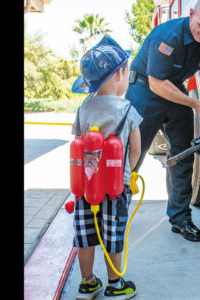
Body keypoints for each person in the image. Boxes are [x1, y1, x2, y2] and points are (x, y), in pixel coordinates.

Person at [125, 0, 200, 242]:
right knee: (131, 156)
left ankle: (180, 219)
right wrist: (195, 103)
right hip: (144, 92)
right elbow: (156, 83)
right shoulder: (168, 35)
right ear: (191, 14)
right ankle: (111, 214)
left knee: (183, 155)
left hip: (175, 92)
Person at [70, 36, 143, 300]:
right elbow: (135, 148)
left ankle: (88, 283)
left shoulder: (83, 108)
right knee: (113, 234)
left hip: (85, 189)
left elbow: (77, 142)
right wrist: (129, 173)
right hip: (115, 187)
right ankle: (115, 284)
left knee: (86, 236)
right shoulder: (127, 109)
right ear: (118, 74)